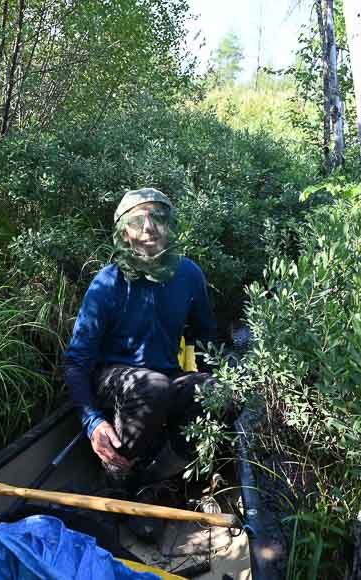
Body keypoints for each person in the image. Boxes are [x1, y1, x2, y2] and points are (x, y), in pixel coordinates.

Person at [62, 187, 218, 517]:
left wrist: (209, 400)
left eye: (158, 218)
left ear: (170, 225)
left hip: (162, 376)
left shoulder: (189, 275)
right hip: (112, 378)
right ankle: (117, 478)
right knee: (152, 386)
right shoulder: (107, 283)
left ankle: (152, 478)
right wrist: (92, 422)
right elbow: (77, 361)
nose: (149, 228)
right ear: (125, 232)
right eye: (138, 220)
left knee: (216, 391)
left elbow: (206, 342)